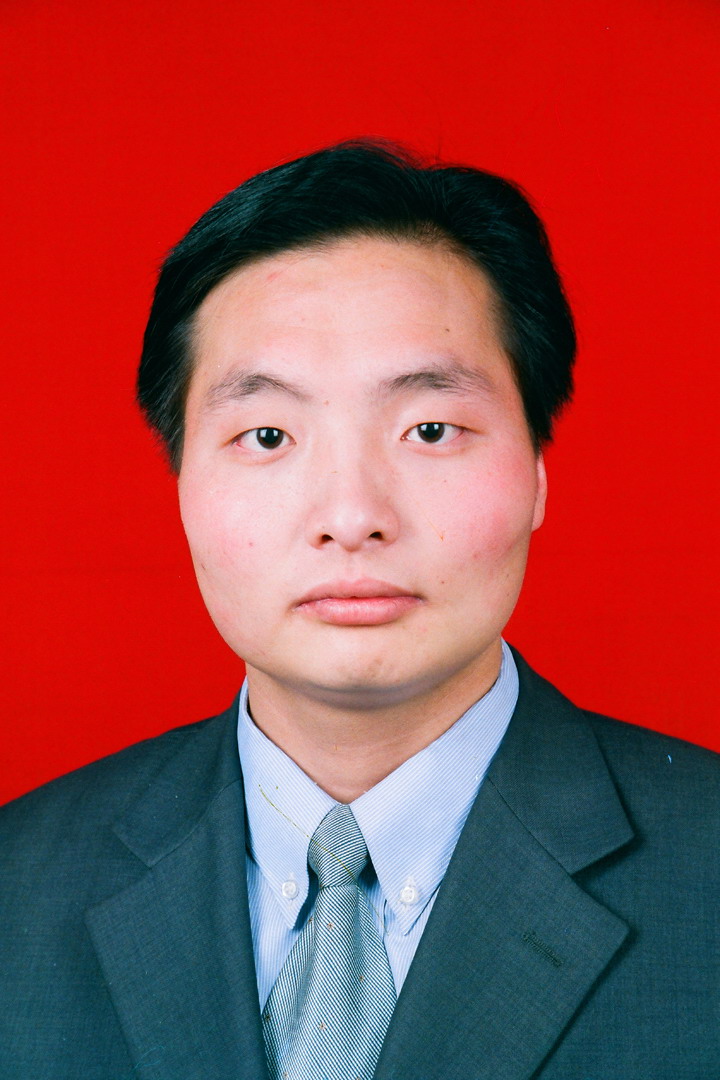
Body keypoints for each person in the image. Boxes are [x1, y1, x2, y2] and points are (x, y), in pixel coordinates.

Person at [1, 141, 718, 1080]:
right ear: (181, 484)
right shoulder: (18, 883)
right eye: (268, 435)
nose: (351, 517)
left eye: (430, 429)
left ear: (538, 473)